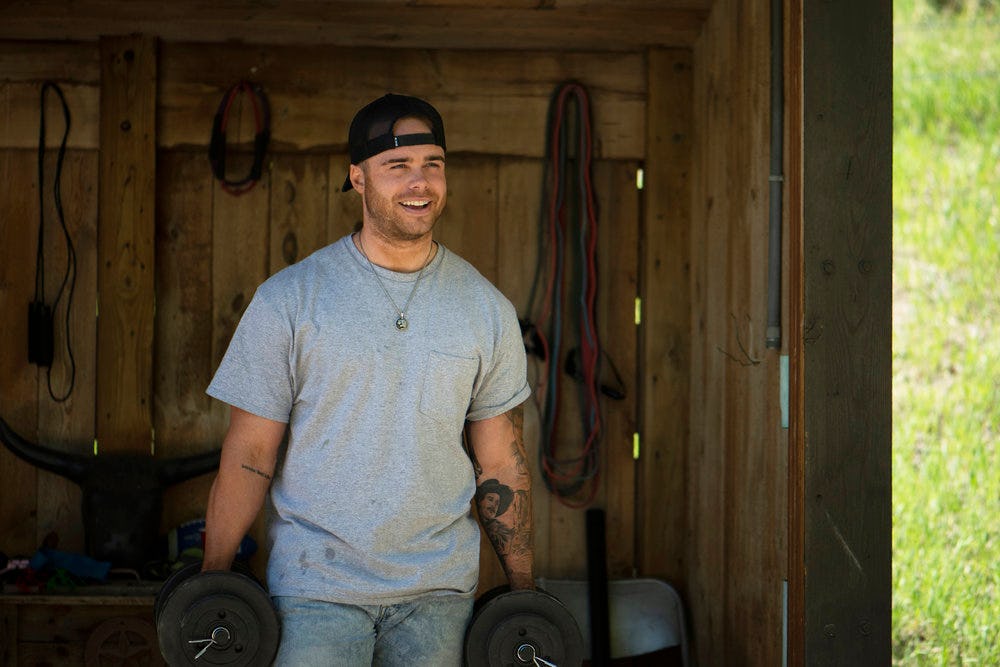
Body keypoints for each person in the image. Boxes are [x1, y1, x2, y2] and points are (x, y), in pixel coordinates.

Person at [200, 93, 534, 667]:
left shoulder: (485, 308)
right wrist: (212, 579)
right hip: (314, 590)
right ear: (358, 178)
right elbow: (251, 452)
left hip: (438, 595)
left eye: (433, 163)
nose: (419, 183)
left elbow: (500, 461)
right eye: (397, 166)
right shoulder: (290, 301)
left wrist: (525, 593)